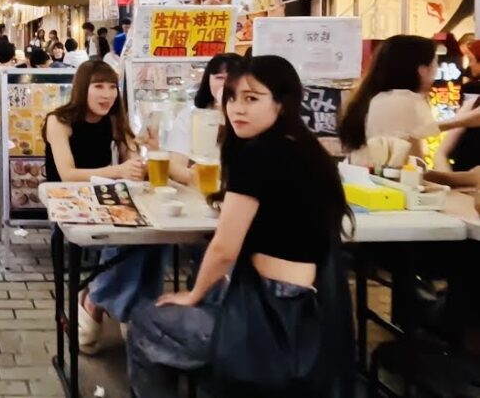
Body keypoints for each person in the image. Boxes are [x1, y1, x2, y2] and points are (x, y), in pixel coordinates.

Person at [127, 55, 355, 397]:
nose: (237, 109)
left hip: (268, 322)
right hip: (313, 313)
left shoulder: (258, 155)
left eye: (252, 98)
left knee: (146, 318)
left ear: (281, 103)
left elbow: (224, 248)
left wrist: (193, 295)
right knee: (204, 280)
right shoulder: (309, 151)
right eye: (232, 98)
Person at [43, 61, 154, 354]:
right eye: (99, 86)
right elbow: (67, 174)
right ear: (83, 88)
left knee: (155, 239)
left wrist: (146, 154)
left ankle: (112, 303)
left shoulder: (115, 119)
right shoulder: (59, 120)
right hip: (68, 201)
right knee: (129, 240)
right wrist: (118, 171)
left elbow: (133, 162)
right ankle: (111, 305)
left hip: (107, 198)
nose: (107, 94)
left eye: (112, 87)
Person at [341, 34, 480, 181]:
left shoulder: (369, 99)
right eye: (435, 63)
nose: (437, 70)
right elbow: (415, 173)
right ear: (422, 70)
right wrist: (469, 178)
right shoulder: (404, 100)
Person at [166, 53, 244, 185]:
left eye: (232, 78)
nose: (225, 84)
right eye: (219, 78)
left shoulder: (249, 116)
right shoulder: (190, 116)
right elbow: (176, 166)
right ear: (208, 80)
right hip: (199, 189)